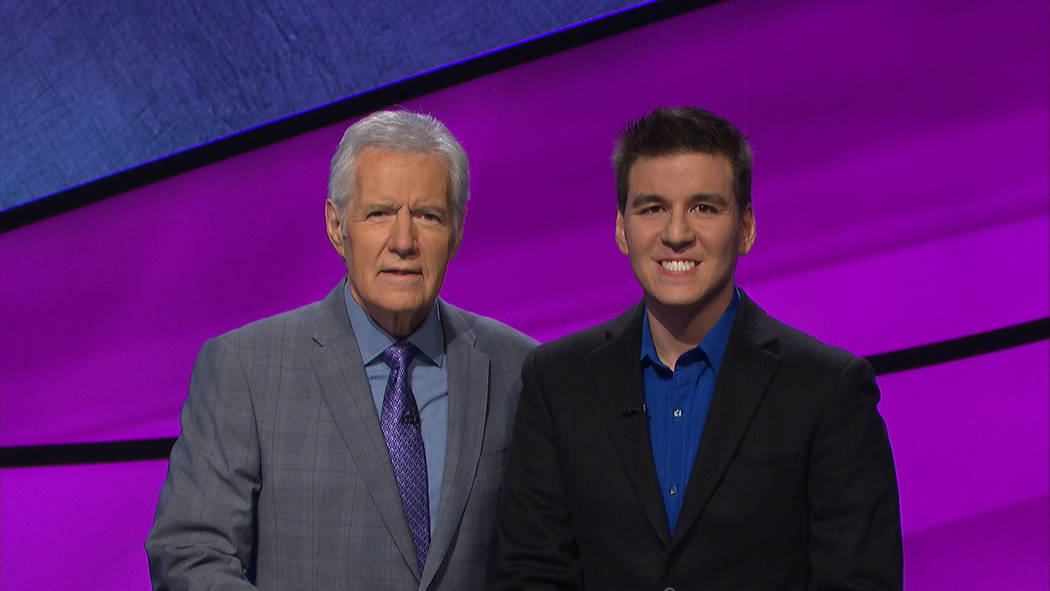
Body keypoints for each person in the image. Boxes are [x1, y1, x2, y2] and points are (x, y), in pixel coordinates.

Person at [494, 106, 902, 590]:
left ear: (745, 227)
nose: (677, 234)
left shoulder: (827, 390)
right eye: (652, 208)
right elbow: (530, 576)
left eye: (703, 208)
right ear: (622, 228)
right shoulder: (557, 381)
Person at [146, 110, 537, 590]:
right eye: (379, 213)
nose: (403, 242)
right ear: (337, 225)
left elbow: (548, 559)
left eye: (427, 216)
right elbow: (191, 555)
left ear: (456, 230)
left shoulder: (519, 368)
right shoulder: (246, 369)